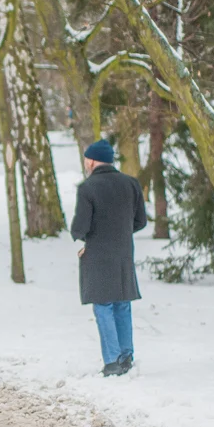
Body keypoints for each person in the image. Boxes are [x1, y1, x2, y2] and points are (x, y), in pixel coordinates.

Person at [70, 139, 147, 377]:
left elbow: (80, 227)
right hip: (123, 253)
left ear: (93, 161)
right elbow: (140, 221)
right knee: (122, 303)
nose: (85, 163)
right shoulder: (131, 184)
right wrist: (120, 233)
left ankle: (112, 361)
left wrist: (84, 238)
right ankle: (126, 356)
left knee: (103, 305)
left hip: (98, 254)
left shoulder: (88, 188)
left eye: (87, 159)